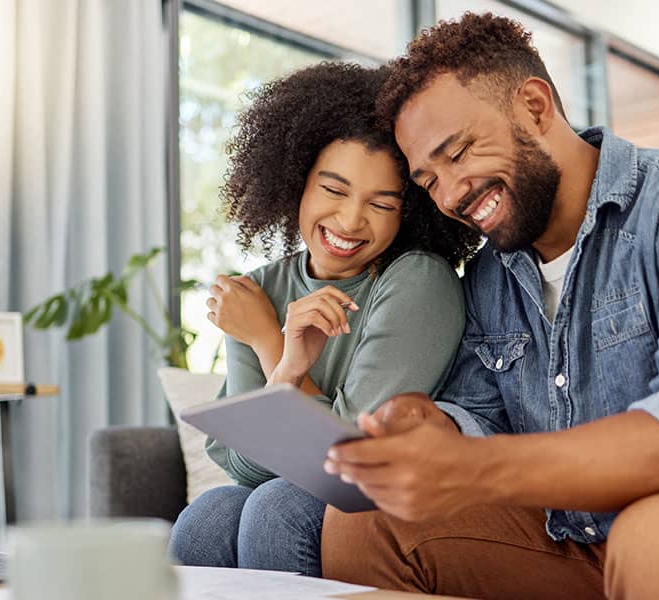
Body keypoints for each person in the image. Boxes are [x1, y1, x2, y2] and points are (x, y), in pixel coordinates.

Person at [321, 13, 659, 600]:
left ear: (536, 106)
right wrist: (433, 425)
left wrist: (477, 468)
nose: (449, 195)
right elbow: (481, 412)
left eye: (461, 151)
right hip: (576, 540)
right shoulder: (492, 274)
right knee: (365, 519)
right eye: (427, 181)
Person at [166, 62, 481, 577]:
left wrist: (271, 343)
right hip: (295, 492)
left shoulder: (417, 281)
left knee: (279, 507)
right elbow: (242, 464)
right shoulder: (260, 288)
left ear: (408, 213)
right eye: (334, 191)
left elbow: (350, 462)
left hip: (394, 500)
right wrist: (286, 368)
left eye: (381, 203)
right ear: (296, 184)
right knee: (208, 515)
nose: (351, 220)